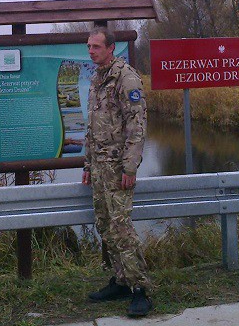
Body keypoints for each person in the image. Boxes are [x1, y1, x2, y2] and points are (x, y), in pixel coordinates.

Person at [82, 27, 153, 317]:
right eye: (88, 46)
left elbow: (136, 125)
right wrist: (87, 164)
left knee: (122, 229)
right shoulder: (97, 79)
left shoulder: (126, 78)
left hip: (117, 169)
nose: (91, 51)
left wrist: (130, 166)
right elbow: (92, 129)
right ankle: (121, 281)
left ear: (111, 48)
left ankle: (140, 291)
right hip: (99, 168)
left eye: (96, 46)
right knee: (105, 226)